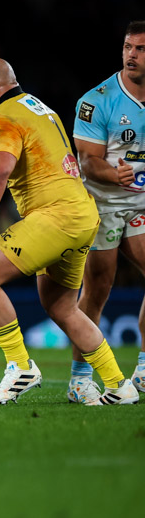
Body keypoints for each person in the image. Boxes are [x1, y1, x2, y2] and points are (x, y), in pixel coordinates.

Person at [0, 58, 138, 406]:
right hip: (82, 215)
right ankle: (120, 384)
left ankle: (20, 366)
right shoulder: (41, 108)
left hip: (55, 216)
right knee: (61, 306)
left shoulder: (2, 119)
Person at [67, 21, 145, 402]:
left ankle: (144, 368)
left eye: (141, 49)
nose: (132, 54)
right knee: (98, 289)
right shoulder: (96, 100)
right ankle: (80, 378)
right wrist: (116, 173)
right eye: (128, 47)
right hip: (102, 204)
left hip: (141, 204)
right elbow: (87, 162)